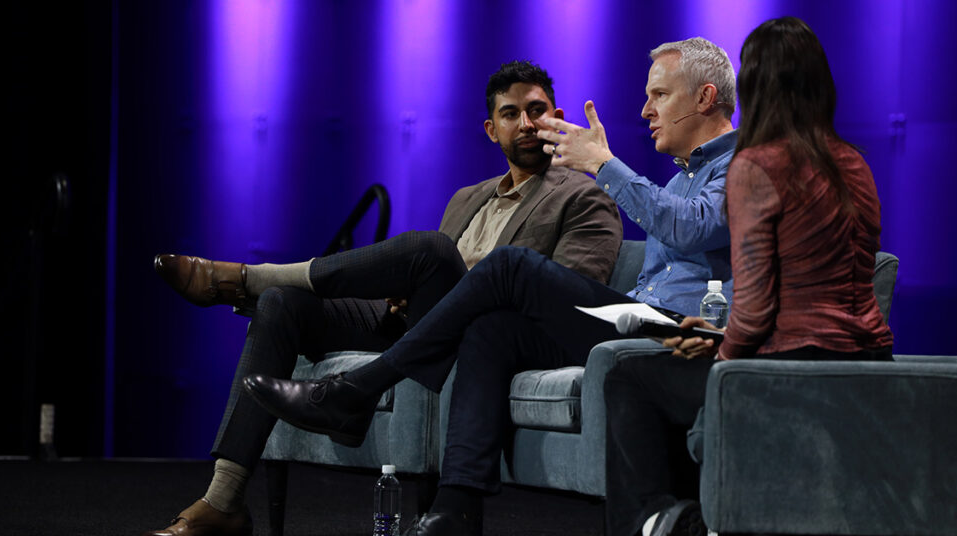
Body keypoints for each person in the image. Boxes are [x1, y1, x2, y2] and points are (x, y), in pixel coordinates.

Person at [244, 37, 738, 536]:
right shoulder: (677, 181)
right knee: (491, 329)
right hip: (638, 320)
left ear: (703, 98)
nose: (645, 108)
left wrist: (602, 164)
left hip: (687, 330)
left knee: (508, 267)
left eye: (659, 95)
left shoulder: (742, 166)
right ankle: (456, 507)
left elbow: (690, 227)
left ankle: (356, 388)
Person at [143, 60, 623, 536]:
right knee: (283, 305)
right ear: (490, 129)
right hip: (418, 322)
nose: (526, 123)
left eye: (537, 111)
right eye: (511, 113)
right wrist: (407, 293)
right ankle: (223, 499)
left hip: (483, 333)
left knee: (431, 250)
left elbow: (562, 295)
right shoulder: (467, 198)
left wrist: (448, 286)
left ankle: (246, 278)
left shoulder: (583, 196)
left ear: (558, 116)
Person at [602, 17, 895, 536]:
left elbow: (757, 308)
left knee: (630, 376)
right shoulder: (855, 164)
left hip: (783, 371)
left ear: (755, 88)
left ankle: (659, 522)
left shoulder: (756, 167)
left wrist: (723, 359)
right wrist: (717, 333)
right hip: (868, 361)